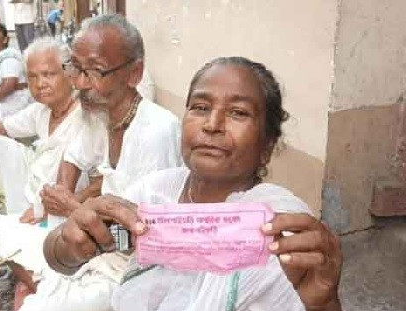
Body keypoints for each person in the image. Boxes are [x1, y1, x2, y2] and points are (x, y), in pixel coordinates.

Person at [43, 57, 344, 311]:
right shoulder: (155, 193)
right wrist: (68, 245)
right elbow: (58, 258)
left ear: (266, 145)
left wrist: (324, 300)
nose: (212, 124)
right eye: (200, 107)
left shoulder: (282, 224)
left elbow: (308, 296)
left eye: (238, 112)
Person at [18, 14, 182, 311]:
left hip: (133, 266)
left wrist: (72, 209)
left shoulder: (157, 131)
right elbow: (72, 159)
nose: (80, 82)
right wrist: (62, 199)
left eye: (93, 71)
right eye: (75, 68)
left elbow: (140, 234)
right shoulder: (97, 112)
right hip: (96, 248)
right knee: (15, 242)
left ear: (134, 73)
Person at [0, 36, 85, 223]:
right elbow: (4, 127)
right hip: (43, 190)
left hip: (74, 197)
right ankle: (21, 207)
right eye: (32, 77)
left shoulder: (85, 113)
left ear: (69, 74)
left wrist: (58, 205)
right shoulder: (41, 111)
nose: (40, 84)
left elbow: (99, 179)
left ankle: (39, 210)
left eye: (48, 74)